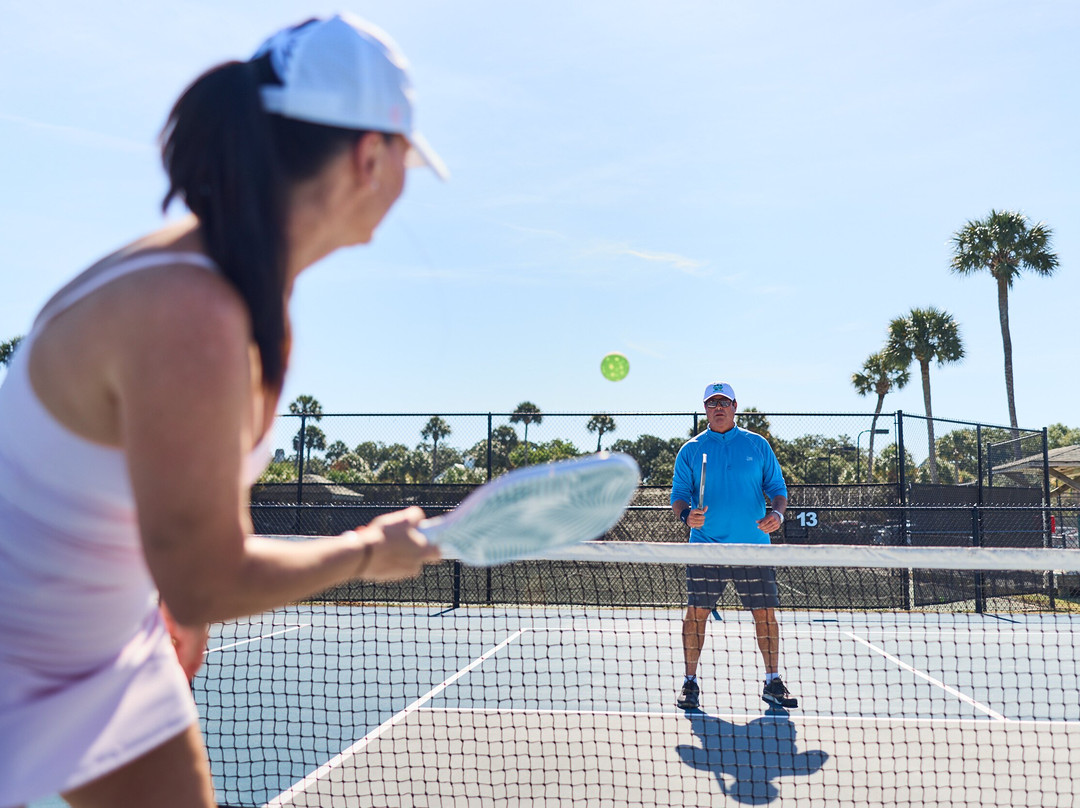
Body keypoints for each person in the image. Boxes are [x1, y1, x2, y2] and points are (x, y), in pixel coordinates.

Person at [0, 15, 446, 808]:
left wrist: (173, 593)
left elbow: (175, 518)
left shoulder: (231, 285)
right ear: (370, 157)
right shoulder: (195, 310)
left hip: (99, 650)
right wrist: (366, 554)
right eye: (408, 159)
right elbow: (208, 581)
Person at [670, 382, 797, 711]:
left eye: (723, 402)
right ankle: (689, 682)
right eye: (712, 403)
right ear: (705, 409)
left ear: (735, 406)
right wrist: (686, 515)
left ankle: (772, 681)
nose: (718, 408)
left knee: (765, 615)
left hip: (753, 548)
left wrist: (778, 515)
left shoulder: (757, 445)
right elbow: (678, 496)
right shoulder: (691, 450)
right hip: (705, 548)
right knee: (696, 614)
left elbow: (778, 489)